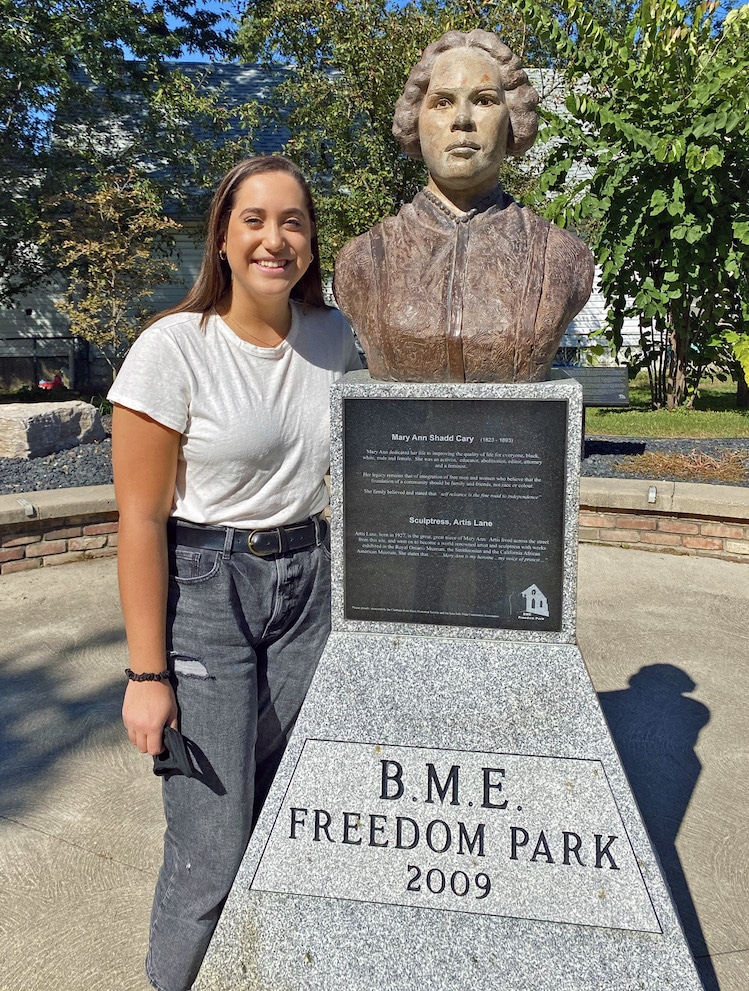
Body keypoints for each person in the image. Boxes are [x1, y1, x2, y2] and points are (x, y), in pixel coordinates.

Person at [108, 155, 361, 991]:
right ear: (221, 236)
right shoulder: (173, 347)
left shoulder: (337, 337)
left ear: (312, 238)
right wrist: (147, 673)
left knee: (294, 807)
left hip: (310, 585)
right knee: (210, 844)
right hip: (205, 588)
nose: (274, 238)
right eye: (253, 219)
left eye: (292, 220)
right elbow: (140, 519)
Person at [333, 29, 594, 383]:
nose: (462, 120)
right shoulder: (362, 261)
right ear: (416, 120)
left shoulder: (562, 257)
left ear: (512, 120)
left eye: (484, 100)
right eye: (442, 102)